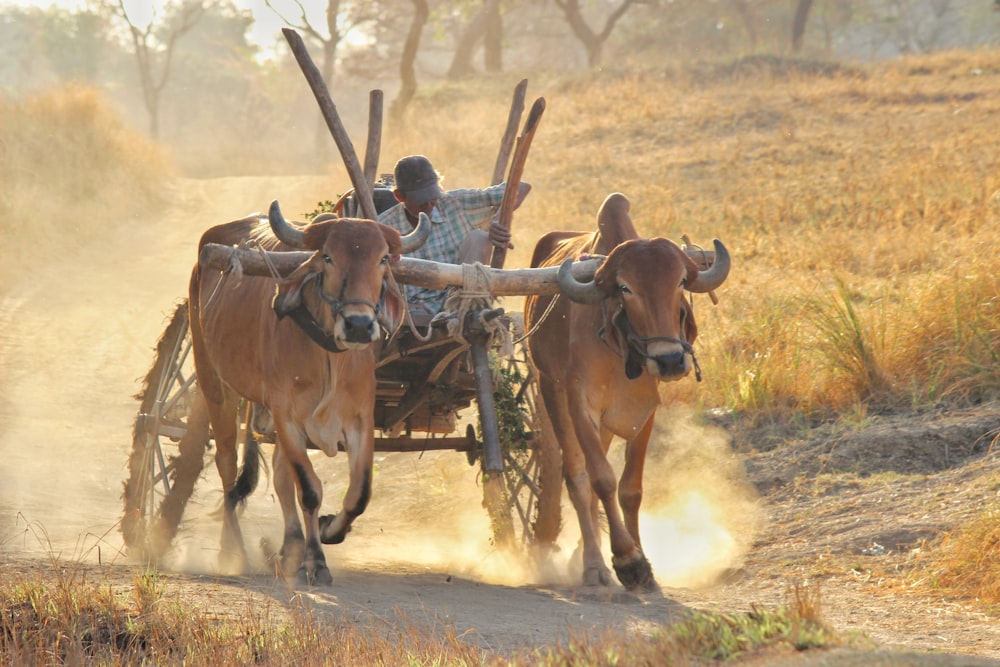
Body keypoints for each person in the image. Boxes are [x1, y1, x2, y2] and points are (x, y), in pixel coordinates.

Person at [377, 154, 531, 319]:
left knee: (479, 238)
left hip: (460, 299)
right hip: (413, 311)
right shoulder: (383, 226)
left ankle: (470, 309)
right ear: (400, 197)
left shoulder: (453, 202)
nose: (430, 204)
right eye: (421, 199)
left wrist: (497, 221)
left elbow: (520, 187)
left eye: (433, 196)